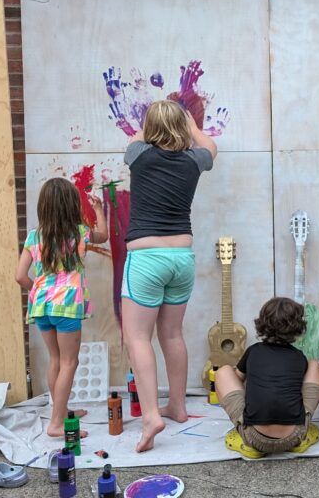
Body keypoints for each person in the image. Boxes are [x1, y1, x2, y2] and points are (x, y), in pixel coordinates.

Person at [121, 99, 217, 452]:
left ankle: (151, 415)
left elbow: (136, 136)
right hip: (181, 258)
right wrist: (191, 128)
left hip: (146, 258)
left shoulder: (139, 156)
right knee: (172, 334)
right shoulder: (194, 161)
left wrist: (153, 123)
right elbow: (210, 146)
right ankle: (176, 405)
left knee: (137, 338)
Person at [15, 177, 107, 437]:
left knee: (55, 359)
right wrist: (98, 209)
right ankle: (56, 424)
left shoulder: (34, 236)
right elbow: (103, 235)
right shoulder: (79, 233)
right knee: (69, 362)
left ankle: (61, 410)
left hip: (41, 306)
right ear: (71, 205)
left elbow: (20, 276)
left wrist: (39, 290)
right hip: (66, 307)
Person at [216, 297, 319, 457]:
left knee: (223, 371)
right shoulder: (298, 356)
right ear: (298, 327)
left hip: (254, 437)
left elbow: (237, 380)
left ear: (261, 323)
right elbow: (299, 388)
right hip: (295, 436)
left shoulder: (253, 351)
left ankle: (246, 441)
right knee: (315, 365)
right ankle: (303, 431)